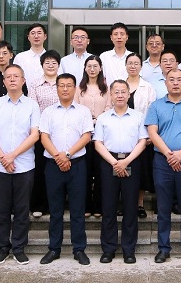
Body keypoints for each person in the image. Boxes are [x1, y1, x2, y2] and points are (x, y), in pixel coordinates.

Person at [0, 64, 41, 265]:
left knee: (22, 209)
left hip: (24, 165)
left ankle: (18, 248)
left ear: (23, 81)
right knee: (0, 209)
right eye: (8, 77)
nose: (12, 79)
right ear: (4, 81)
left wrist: (13, 155)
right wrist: (3, 157)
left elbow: (34, 135)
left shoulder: (32, 105)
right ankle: (3, 247)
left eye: (16, 76)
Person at [145, 68, 181, 264]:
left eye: (179, 80)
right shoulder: (156, 106)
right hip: (162, 161)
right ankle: (163, 248)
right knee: (163, 207)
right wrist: (170, 154)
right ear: (165, 83)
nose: (175, 83)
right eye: (172, 79)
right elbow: (152, 133)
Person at [38, 73, 93, 266]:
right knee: (55, 210)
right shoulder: (48, 112)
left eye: (69, 85)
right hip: (53, 165)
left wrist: (67, 155)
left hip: (77, 165)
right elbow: (44, 137)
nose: (65, 89)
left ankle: (79, 249)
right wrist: (58, 156)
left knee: (78, 210)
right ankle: (54, 248)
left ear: (75, 88)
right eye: (61, 85)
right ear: (56, 88)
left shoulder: (83, 111)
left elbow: (86, 136)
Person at [94, 80, 148, 264]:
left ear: (128, 94)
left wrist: (126, 162)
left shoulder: (138, 117)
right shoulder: (103, 118)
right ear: (110, 95)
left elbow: (142, 141)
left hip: (131, 161)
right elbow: (98, 143)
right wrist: (115, 163)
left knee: (131, 208)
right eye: (116, 92)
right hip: (108, 163)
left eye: (123, 91)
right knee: (108, 208)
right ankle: (108, 249)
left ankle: (128, 250)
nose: (119, 95)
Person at [76, 55, 111, 218]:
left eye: (95, 66)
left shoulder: (106, 88)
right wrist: (87, 122)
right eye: (89, 66)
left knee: (100, 170)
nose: (92, 69)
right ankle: (85, 206)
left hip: (101, 133)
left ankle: (98, 206)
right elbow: (76, 108)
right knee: (84, 171)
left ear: (100, 68)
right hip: (83, 134)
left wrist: (97, 120)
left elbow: (109, 108)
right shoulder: (79, 88)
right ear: (85, 68)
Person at [28, 50, 63, 218]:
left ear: (59, 65)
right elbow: (33, 108)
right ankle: (39, 204)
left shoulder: (64, 83)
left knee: (60, 168)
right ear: (42, 65)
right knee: (41, 170)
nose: (50, 65)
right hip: (42, 133)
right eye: (47, 62)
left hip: (62, 132)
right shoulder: (35, 84)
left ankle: (57, 204)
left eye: (54, 62)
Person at [125, 52, 157, 216]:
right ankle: (124, 203)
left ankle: (139, 204)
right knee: (124, 168)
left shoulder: (148, 87)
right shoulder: (119, 85)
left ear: (141, 66)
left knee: (141, 170)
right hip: (122, 135)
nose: (133, 66)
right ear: (125, 66)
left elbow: (151, 112)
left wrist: (149, 134)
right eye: (130, 63)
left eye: (136, 63)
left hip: (142, 136)